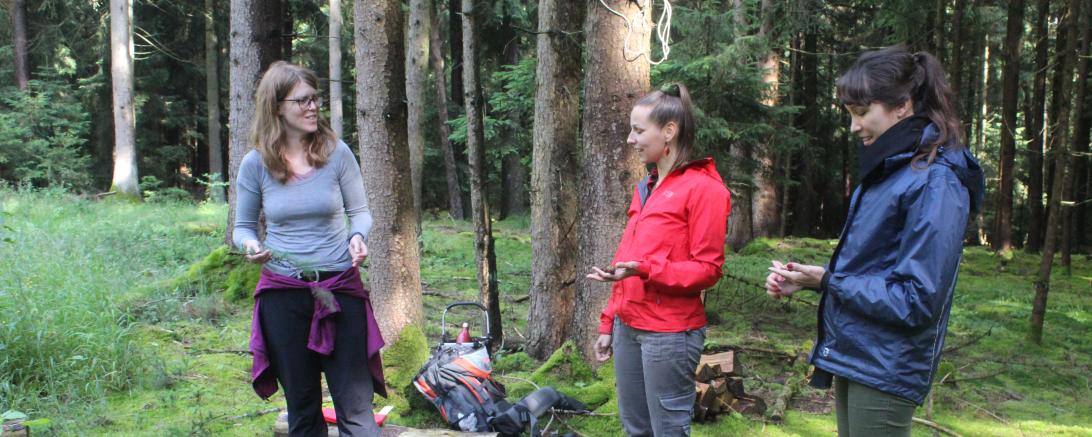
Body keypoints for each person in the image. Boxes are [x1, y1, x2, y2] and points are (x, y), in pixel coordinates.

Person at [764, 46, 984, 437]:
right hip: (857, 353)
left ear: (902, 106)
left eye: (862, 113)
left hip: (887, 364)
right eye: (850, 114)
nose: (853, 126)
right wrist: (814, 279)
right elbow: (876, 269)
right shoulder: (896, 168)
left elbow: (916, 299)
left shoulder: (936, 181)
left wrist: (829, 281)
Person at [234, 61, 385, 437]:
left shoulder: (338, 153)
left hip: (338, 292)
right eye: (302, 100)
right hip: (283, 297)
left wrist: (358, 237)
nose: (313, 106)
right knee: (302, 411)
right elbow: (242, 228)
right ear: (277, 107)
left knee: (356, 411)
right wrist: (251, 245)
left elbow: (361, 213)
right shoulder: (256, 164)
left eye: (315, 98)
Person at [587, 83, 731, 437]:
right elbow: (627, 260)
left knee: (668, 429)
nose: (630, 139)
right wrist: (609, 322)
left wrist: (649, 269)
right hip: (629, 328)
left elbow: (708, 270)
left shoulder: (705, 189)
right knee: (636, 428)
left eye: (638, 130)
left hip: (670, 334)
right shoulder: (646, 186)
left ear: (669, 131)